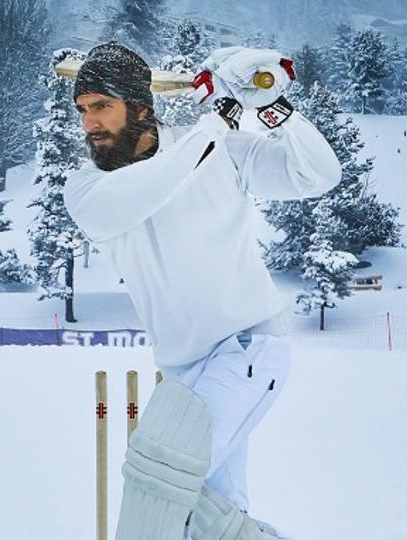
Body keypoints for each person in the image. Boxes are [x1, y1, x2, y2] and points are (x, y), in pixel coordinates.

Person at [64, 42, 342, 540]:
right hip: (180, 372)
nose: (90, 123)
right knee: (204, 516)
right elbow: (155, 185)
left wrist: (271, 108)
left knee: (159, 483)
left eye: (102, 106)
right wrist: (215, 125)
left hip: (245, 347)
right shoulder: (88, 189)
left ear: (142, 107)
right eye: (83, 110)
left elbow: (318, 173)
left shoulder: (219, 152)